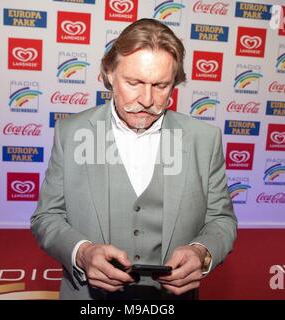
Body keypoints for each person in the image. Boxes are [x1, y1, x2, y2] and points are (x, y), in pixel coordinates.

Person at [31, 18, 237, 300]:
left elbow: (221, 220)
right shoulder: (71, 133)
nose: (147, 99)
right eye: (134, 82)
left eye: (161, 85)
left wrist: (202, 252)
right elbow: (47, 217)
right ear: (109, 73)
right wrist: (83, 252)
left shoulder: (205, 139)